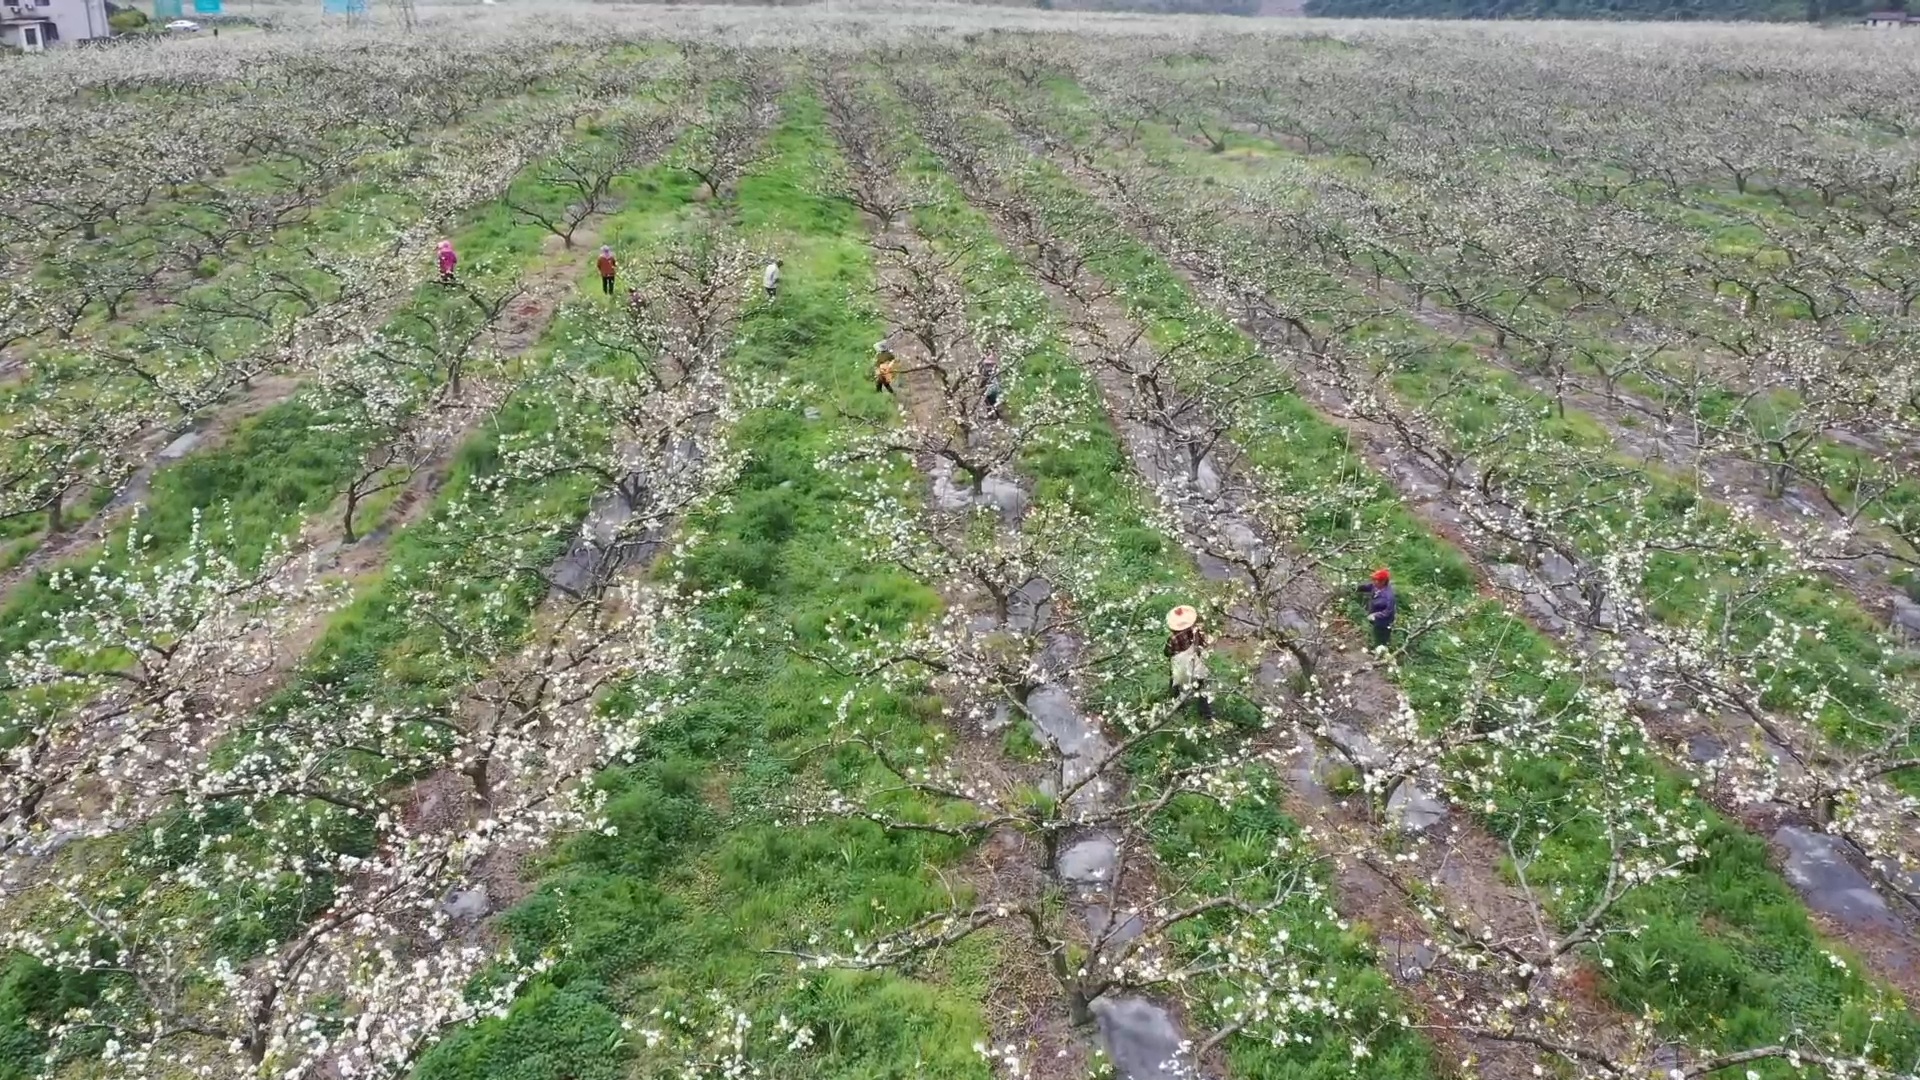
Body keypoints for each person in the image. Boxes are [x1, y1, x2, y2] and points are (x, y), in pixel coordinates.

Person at [1163, 605, 1213, 720]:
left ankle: (1177, 707)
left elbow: (1167, 652)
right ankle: (1206, 713)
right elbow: (1202, 644)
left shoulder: (1172, 639)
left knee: (1175, 684)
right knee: (1200, 687)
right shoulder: (1195, 633)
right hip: (1195, 664)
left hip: (1180, 667)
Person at [1357, 567, 1396, 650]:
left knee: (1380, 643)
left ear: (1383, 581)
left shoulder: (1388, 596)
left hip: (1383, 623)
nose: (1374, 582)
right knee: (1372, 635)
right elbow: (1366, 587)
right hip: (1374, 620)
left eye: (1376, 580)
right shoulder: (1376, 587)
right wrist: (1356, 587)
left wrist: (1375, 615)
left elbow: (1388, 611)